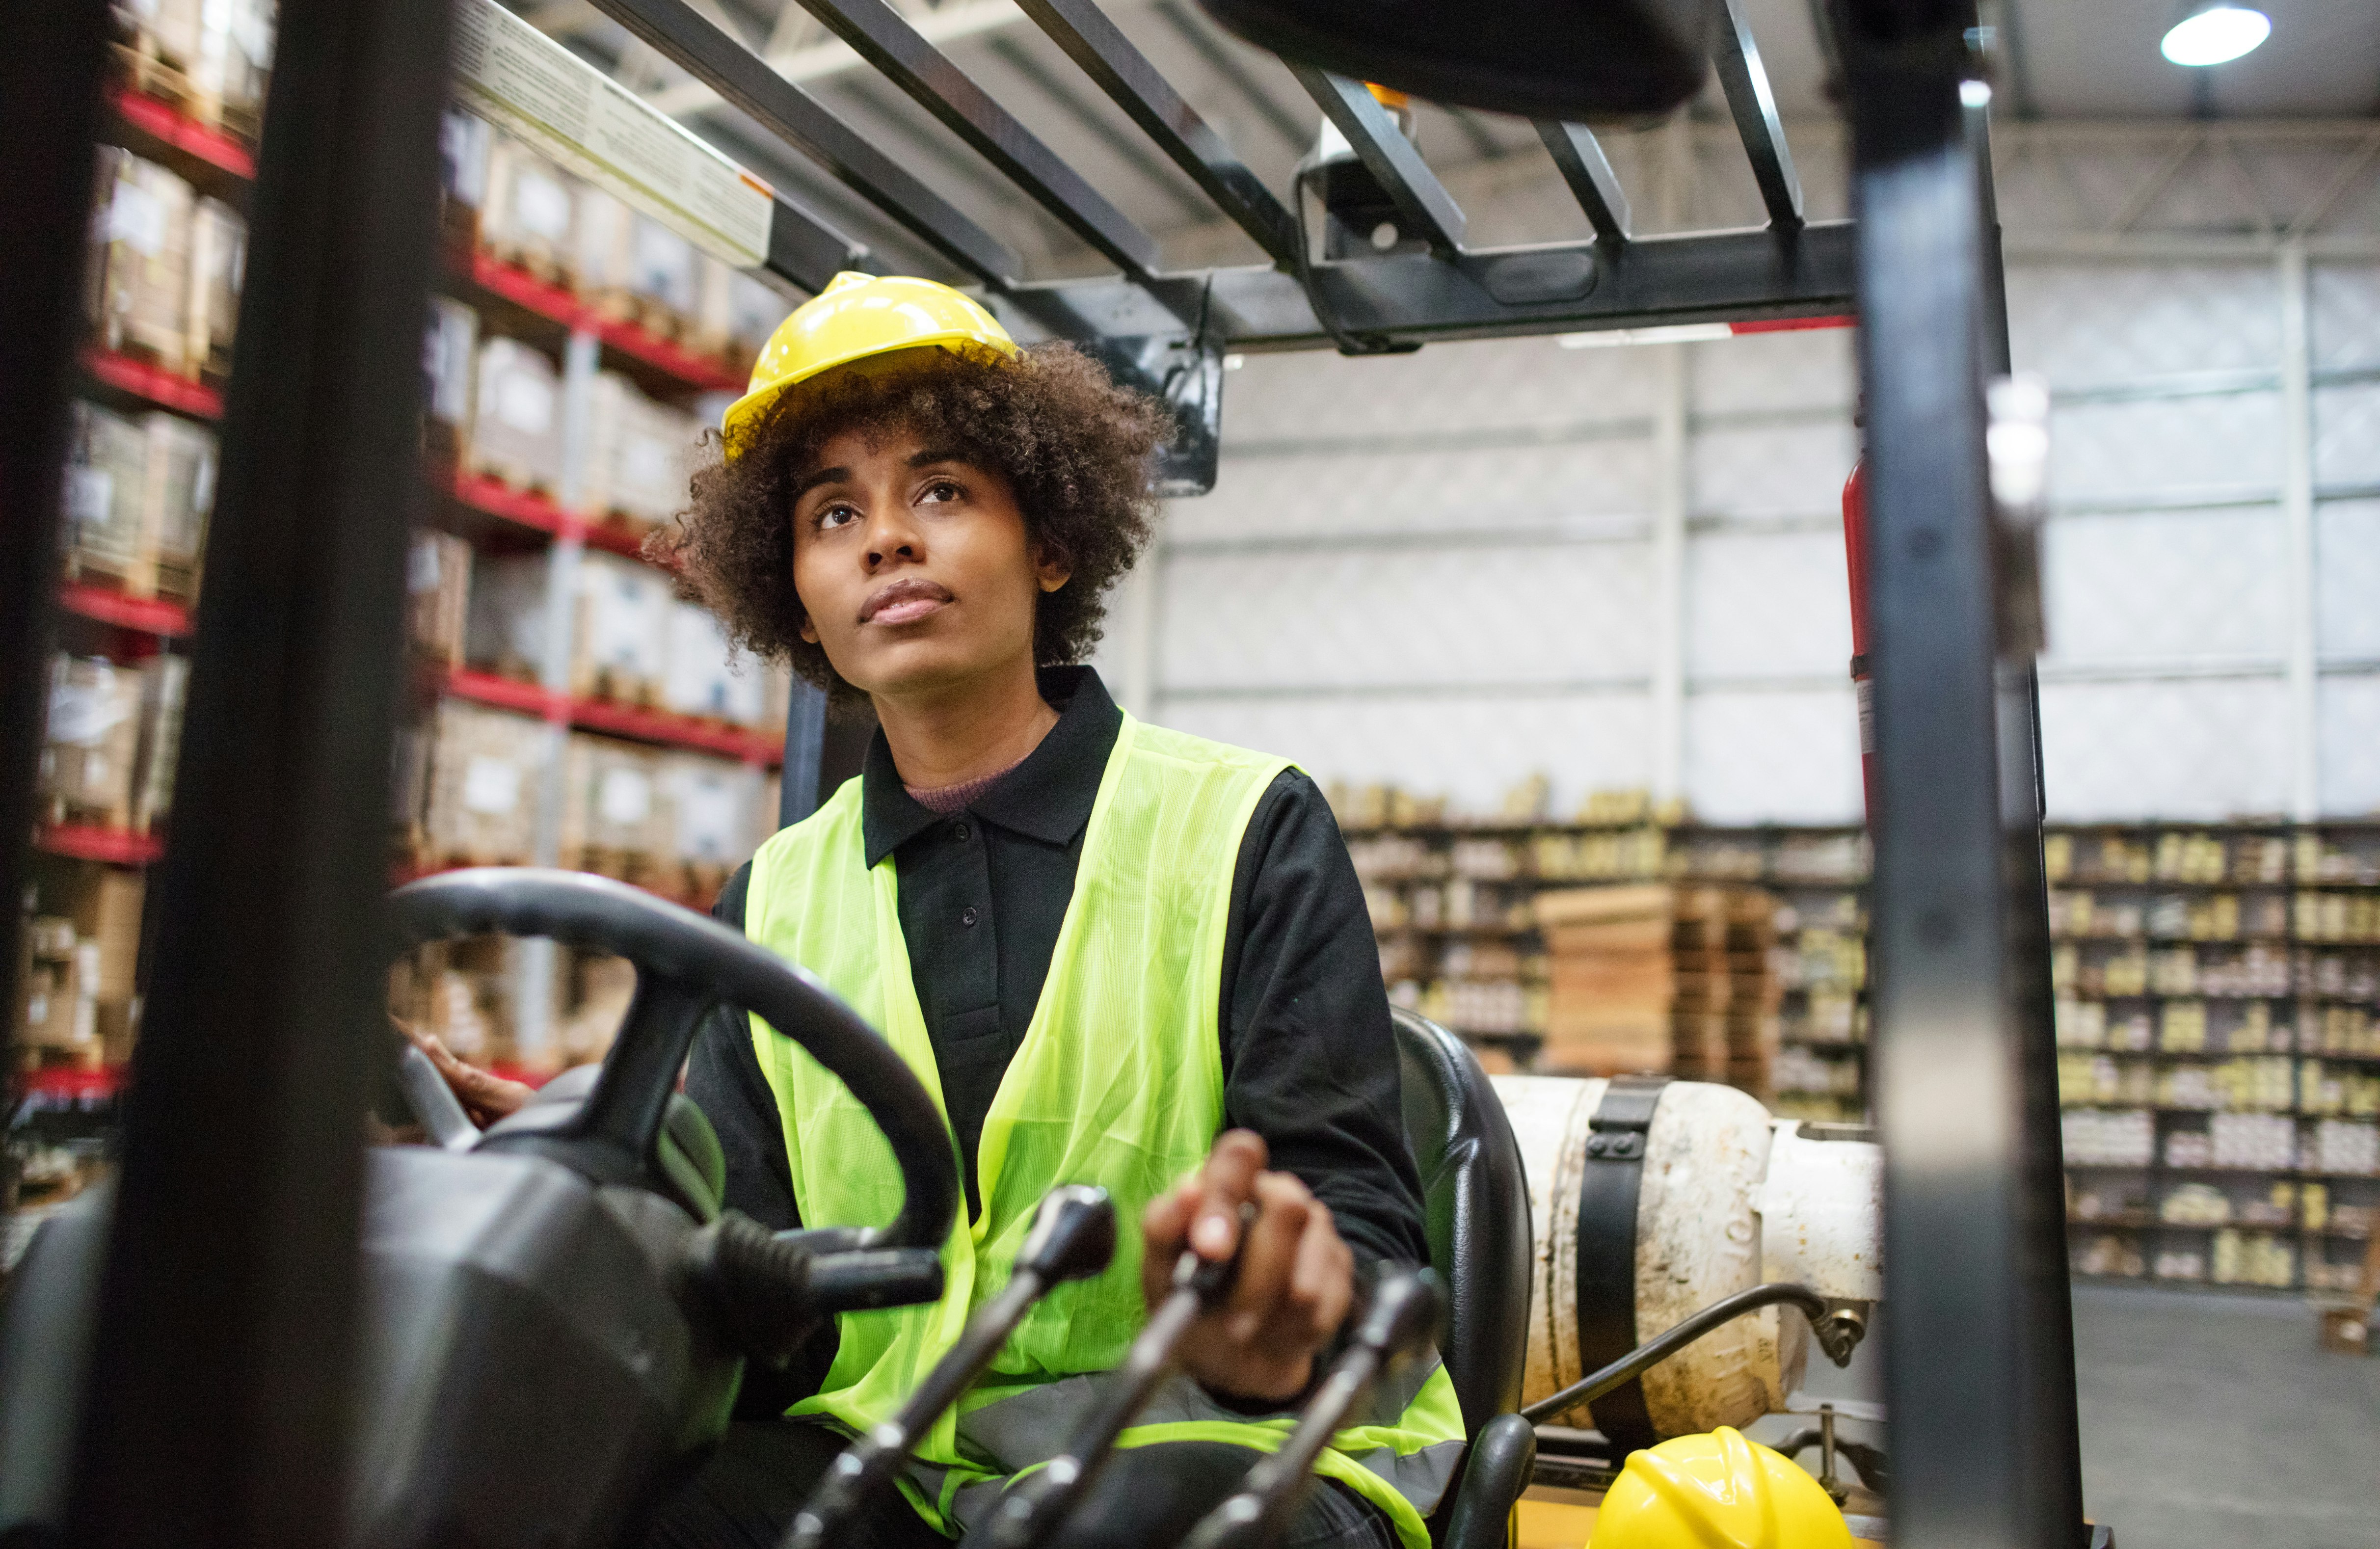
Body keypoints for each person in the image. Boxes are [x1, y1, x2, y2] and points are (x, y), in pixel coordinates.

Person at [415, 272, 1462, 1549]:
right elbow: (768, 1304)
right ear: (793, 590)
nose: (885, 538)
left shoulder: (1246, 827)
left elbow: (1352, 1226)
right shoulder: (774, 895)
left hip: (1218, 1436)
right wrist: (628, 1194)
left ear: (1052, 540)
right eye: (833, 511)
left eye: (942, 491)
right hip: (895, 1449)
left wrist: (1272, 1311)